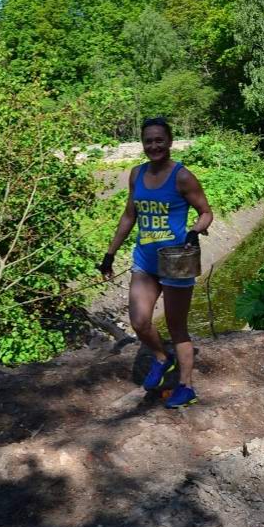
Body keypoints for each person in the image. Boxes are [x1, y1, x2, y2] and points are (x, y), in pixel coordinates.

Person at [99, 117, 213, 408]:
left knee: (177, 327)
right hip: (145, 260)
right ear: (143, 143)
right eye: (148, 140)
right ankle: (163, 358)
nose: (154, 146)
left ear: (170, 141)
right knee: (139, 321)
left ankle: (186, 387)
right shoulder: (136, 174)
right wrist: (109, 254)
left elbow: (205, 212)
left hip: (176, 262)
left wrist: (194, 231)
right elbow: (129, 216)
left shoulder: (182, 176)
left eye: (159, 140)